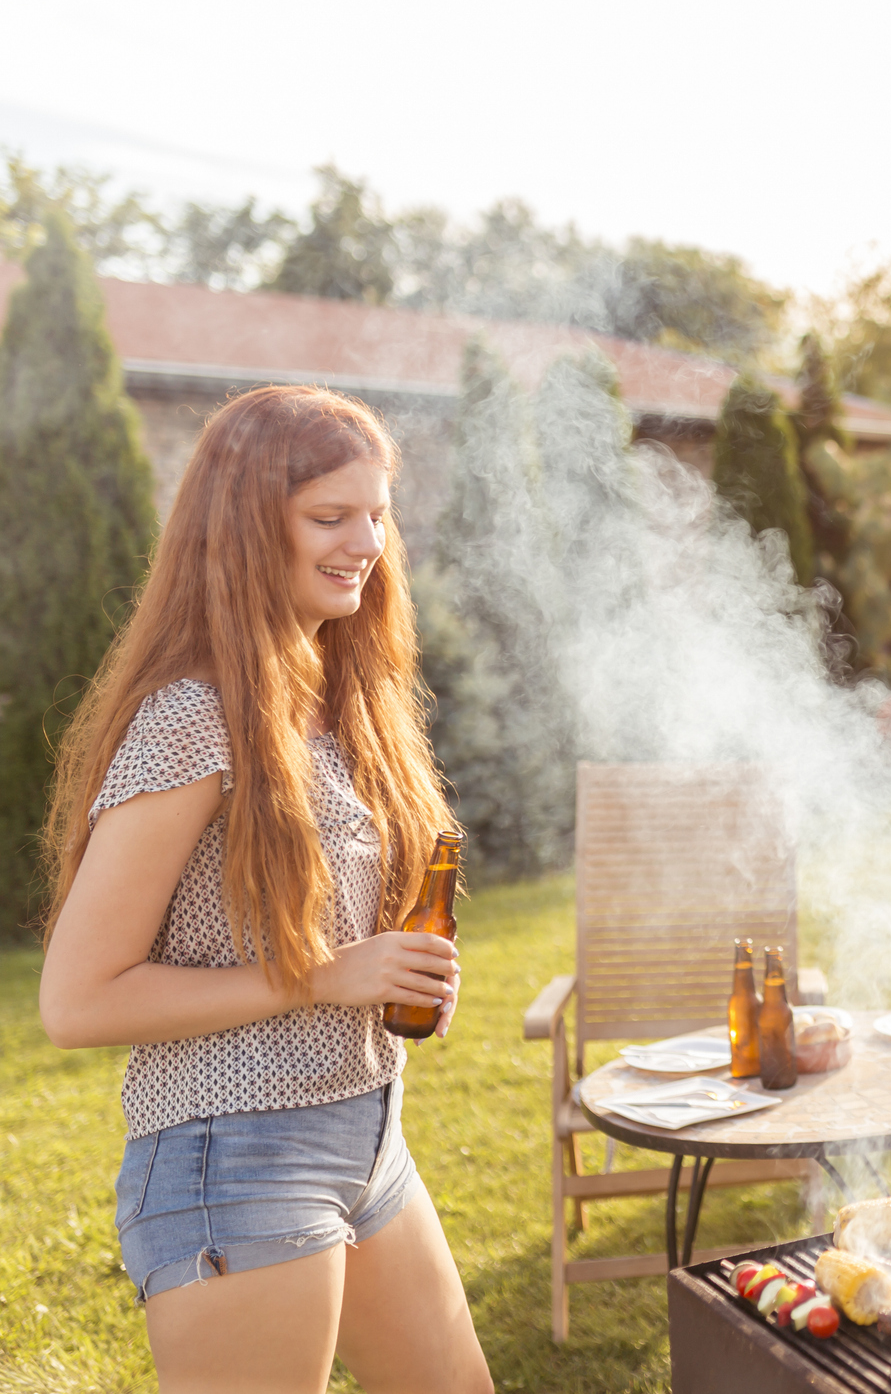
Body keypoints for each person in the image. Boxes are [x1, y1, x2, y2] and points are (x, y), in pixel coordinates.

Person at [37, 386, 494, 1394]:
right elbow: (76, 1000)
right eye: (330, 516)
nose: (366, 540)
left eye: (376, 512)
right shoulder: (192, 718)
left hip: (368, 1132)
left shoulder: (335, 694)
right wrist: (326, 976)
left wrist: (390, 971)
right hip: (230, 1156)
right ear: (245, 529)